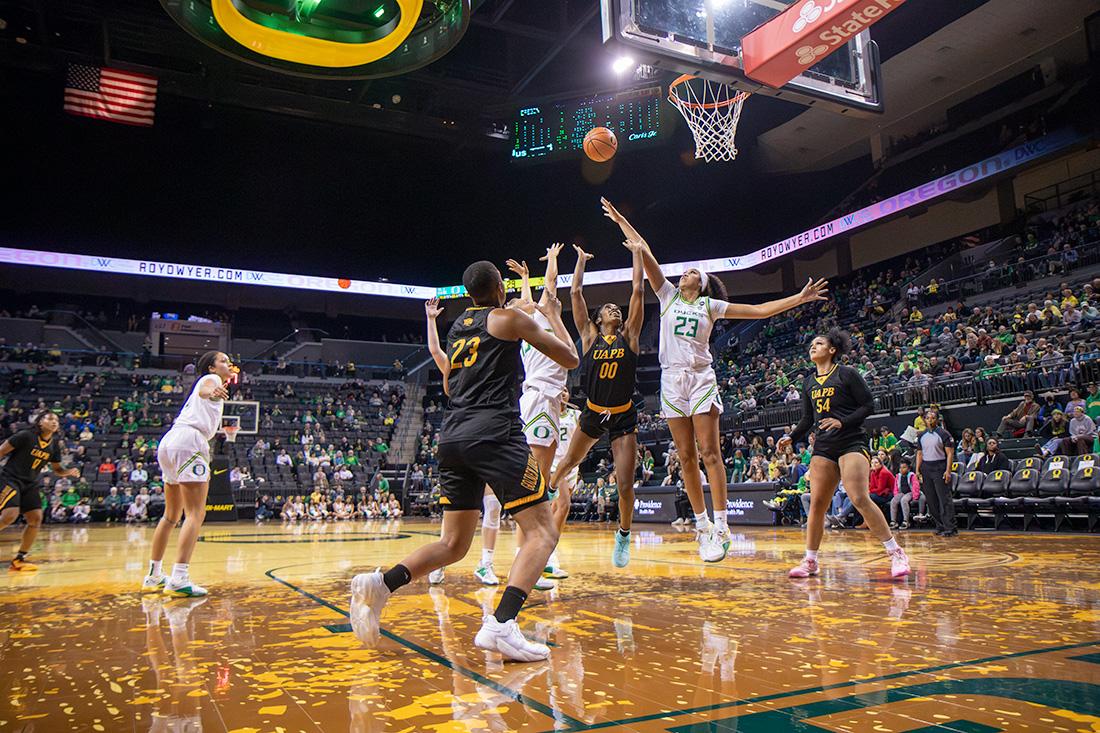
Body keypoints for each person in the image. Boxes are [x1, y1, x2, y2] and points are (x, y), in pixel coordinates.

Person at [350, 260, 578, 662]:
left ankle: (380, 584)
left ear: (470, 293)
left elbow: (448, 381)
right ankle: (503, 624)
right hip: (494, 433)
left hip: (453, 435)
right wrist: (552, 317)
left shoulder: (457, 329)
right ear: (498, 290)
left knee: (453, 543)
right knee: (543, 530)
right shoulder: (507, 319)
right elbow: (570, 358)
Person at [615, 197, 828, 562]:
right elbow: (645, 251)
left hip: (700, 378)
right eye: (684, 273)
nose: (685, 274)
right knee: (684, 457)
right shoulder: (666, 296)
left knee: (710, 453)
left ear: (703, 283)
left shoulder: (709, 306)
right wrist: (623, 221)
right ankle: (702, 528)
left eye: (692, 273)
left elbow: (759, 311)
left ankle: (723, 523)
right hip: (671, 381)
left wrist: (800, 298)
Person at [781, 330, 909, 580]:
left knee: (859, 497)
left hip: (851, 440)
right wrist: (792, 437)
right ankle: (811, 560)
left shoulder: (847, 374)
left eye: (819, 343)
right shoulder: (808, 382)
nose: (813, 346)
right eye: (811, 344)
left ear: (832, 350)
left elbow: (868, 405)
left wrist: (842, 421)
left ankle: (896, 553)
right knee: (817, 503)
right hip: (824, 445)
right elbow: (808, 418)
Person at [547, 239, 644, 569]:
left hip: (622, 416)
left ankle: (624, 534)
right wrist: (581, 262)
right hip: (591, 413)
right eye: (608, 309)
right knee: (566, 465)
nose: (614, 309)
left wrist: (636, 253)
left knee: (625, 484)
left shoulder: (629, 334)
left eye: (617, 309)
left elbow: (637, 291)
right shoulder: (588, 336)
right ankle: (541, 499)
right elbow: (574, 295)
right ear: (598, 318)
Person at [421, 297, 505, 589]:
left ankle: (486, 564)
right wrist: (431, 320)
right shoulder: (454, 370)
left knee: (491, 507)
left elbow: (435, 349)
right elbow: (434, 349)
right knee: (455, 511)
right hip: (469, 433)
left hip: (472, 433)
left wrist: (432, 319)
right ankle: (440, 563)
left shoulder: (485, 371)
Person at [142, 351, 236, 597]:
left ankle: (154, 575)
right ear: (212, 368)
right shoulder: (211, 380)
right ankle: (179, 577)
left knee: (171, 515)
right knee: (195, 513)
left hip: (170, 441)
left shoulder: (208, 385)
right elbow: (207, 387)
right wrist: (212, 391)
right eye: (223, 361)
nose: (228, 364)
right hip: (190, 441)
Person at [0, 411, 80, 570]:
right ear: (39, 422)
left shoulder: (54, 445)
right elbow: (1, 451)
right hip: (10, 478)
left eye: (57, 420)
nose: (54, 422)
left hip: (30, 483)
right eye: (50, 418)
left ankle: (19, 559)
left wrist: (68, 472)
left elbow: (57, 469)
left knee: (36, 518)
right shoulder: (25, 436)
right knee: (10, 515)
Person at [915, 408, 957, 537]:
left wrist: (948, 470)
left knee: (944, 499)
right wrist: (917, 469)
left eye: (933, 418)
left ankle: (950, 527)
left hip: (940, 466)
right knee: (931, 499)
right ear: (925, 420)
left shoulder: (944, 434)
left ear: (937, 419)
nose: (930, 420)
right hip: (926, 467)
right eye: (928, 418)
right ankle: (940, 526)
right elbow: (919, 454)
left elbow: (950, 453)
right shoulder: (921, 435)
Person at [889, 460, 920, 529]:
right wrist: (896, 495)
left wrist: (915, 497)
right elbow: (896, 487)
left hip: (910, 492)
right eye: (900, 468)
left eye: (904, 467)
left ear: (908, 469)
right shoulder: (898, 476)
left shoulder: (912, 476)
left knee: (904, 500)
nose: (901, 469)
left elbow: (916, 487)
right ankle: (893, 521)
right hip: (901, 492)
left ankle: (906, 521)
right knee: (893, 501)